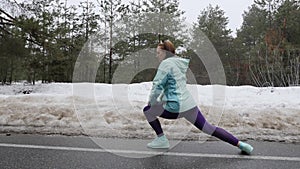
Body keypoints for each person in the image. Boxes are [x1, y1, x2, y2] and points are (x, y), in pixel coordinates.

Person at [143, 40, 253, 155]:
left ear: (165, 53)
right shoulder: (178, 64)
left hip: (175, 106)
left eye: (158, 53)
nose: (157, 56)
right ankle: (241, 144)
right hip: (189, 104)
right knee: (207, 128)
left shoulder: (166, 64)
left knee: (147, 110)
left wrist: (152, 102)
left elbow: (157, 85)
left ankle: (162, 140)